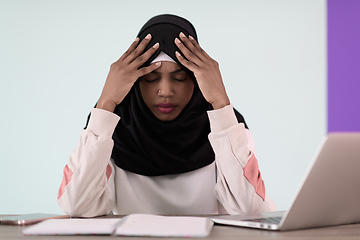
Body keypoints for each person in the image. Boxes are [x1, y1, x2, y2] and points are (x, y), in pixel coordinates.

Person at [57, 14, 275, 217]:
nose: (165, 91)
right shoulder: (111, 132)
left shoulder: (227, 129)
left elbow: (250, 209)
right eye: (151, 78)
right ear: (134, 81)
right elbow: (76, 206)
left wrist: (220, 102)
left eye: (180, 77)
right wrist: (106, 104)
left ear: (198, 80)